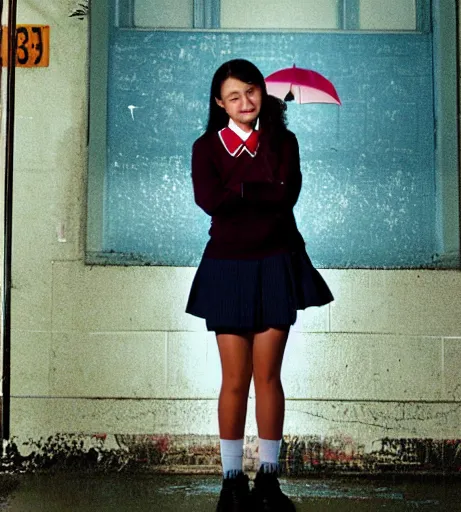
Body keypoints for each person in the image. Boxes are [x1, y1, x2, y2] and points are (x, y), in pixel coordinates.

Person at [186, 59, 333, 512]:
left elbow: (287, 193)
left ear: (262, 93)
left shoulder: (282, 141)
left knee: (269, 376)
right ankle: (232, 481)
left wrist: (247, 185)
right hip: (227, 265)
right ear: (219, 103)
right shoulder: (206, 147)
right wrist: (256, 189)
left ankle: (268, 480)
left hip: (274, 262)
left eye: (251, 92)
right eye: (234, 96)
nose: (244, 102)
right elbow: (209, 201)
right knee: (235, 380)